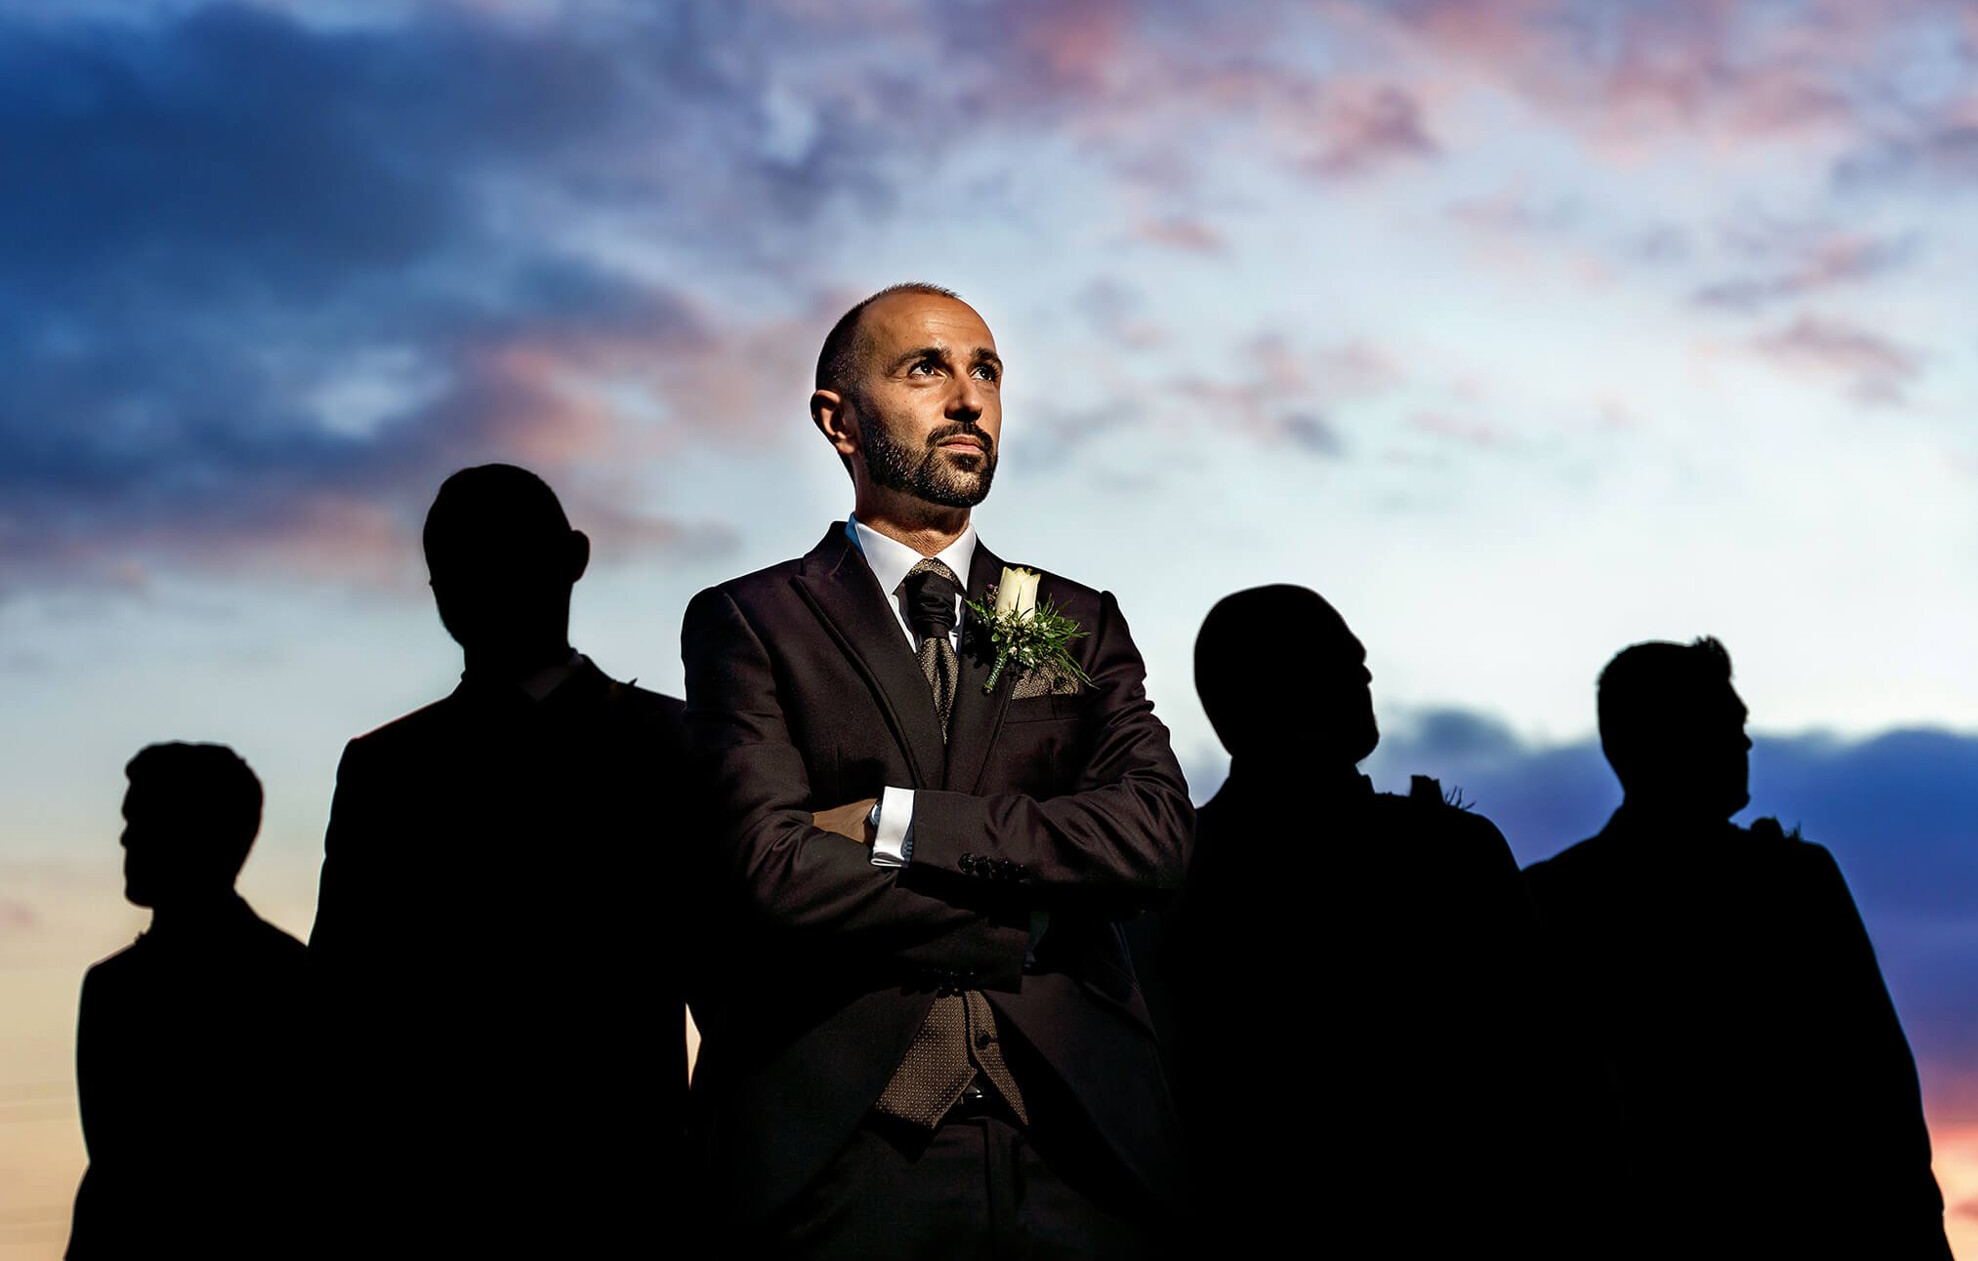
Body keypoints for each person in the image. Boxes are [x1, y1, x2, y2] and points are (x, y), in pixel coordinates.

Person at [680, 282, 1195, 1257]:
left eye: (985, 370)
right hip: (836, 1151)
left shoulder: (1071, 618)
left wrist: (892, 822)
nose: (967, 397)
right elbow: (773, 870)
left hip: (1082, 1139)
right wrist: (1040, 910)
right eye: (926, 368)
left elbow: (1153, 837)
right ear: (838, 419)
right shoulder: (751, 620)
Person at [1154, 585, 1614, 1256]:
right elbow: (1559, 1077)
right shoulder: (1447, 854)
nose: (1364, 671)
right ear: (1269, 689)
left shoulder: (1165, 878)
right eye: (1338, 658)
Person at [310, 464, 693, 1256]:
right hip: (436, 1202)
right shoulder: (384, 771)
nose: (482, 579)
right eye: (458, 562)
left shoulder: (679, 747)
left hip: (630, 1192)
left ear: (574, 557)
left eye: (504, 551)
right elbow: (339, 1011)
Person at [1525, 638, 1951, 1259]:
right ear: (1667, 736)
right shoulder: (1792, 884)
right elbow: (1877, 1091)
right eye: (1729, 724)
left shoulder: (1552, 895)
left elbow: (1879, 1088)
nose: (1746, 743)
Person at [68, 743, 310, 1259]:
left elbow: (122, 1171)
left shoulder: (117, 989)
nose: (125, 837)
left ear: (193, 834)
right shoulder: (293, 972)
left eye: (141, 820)